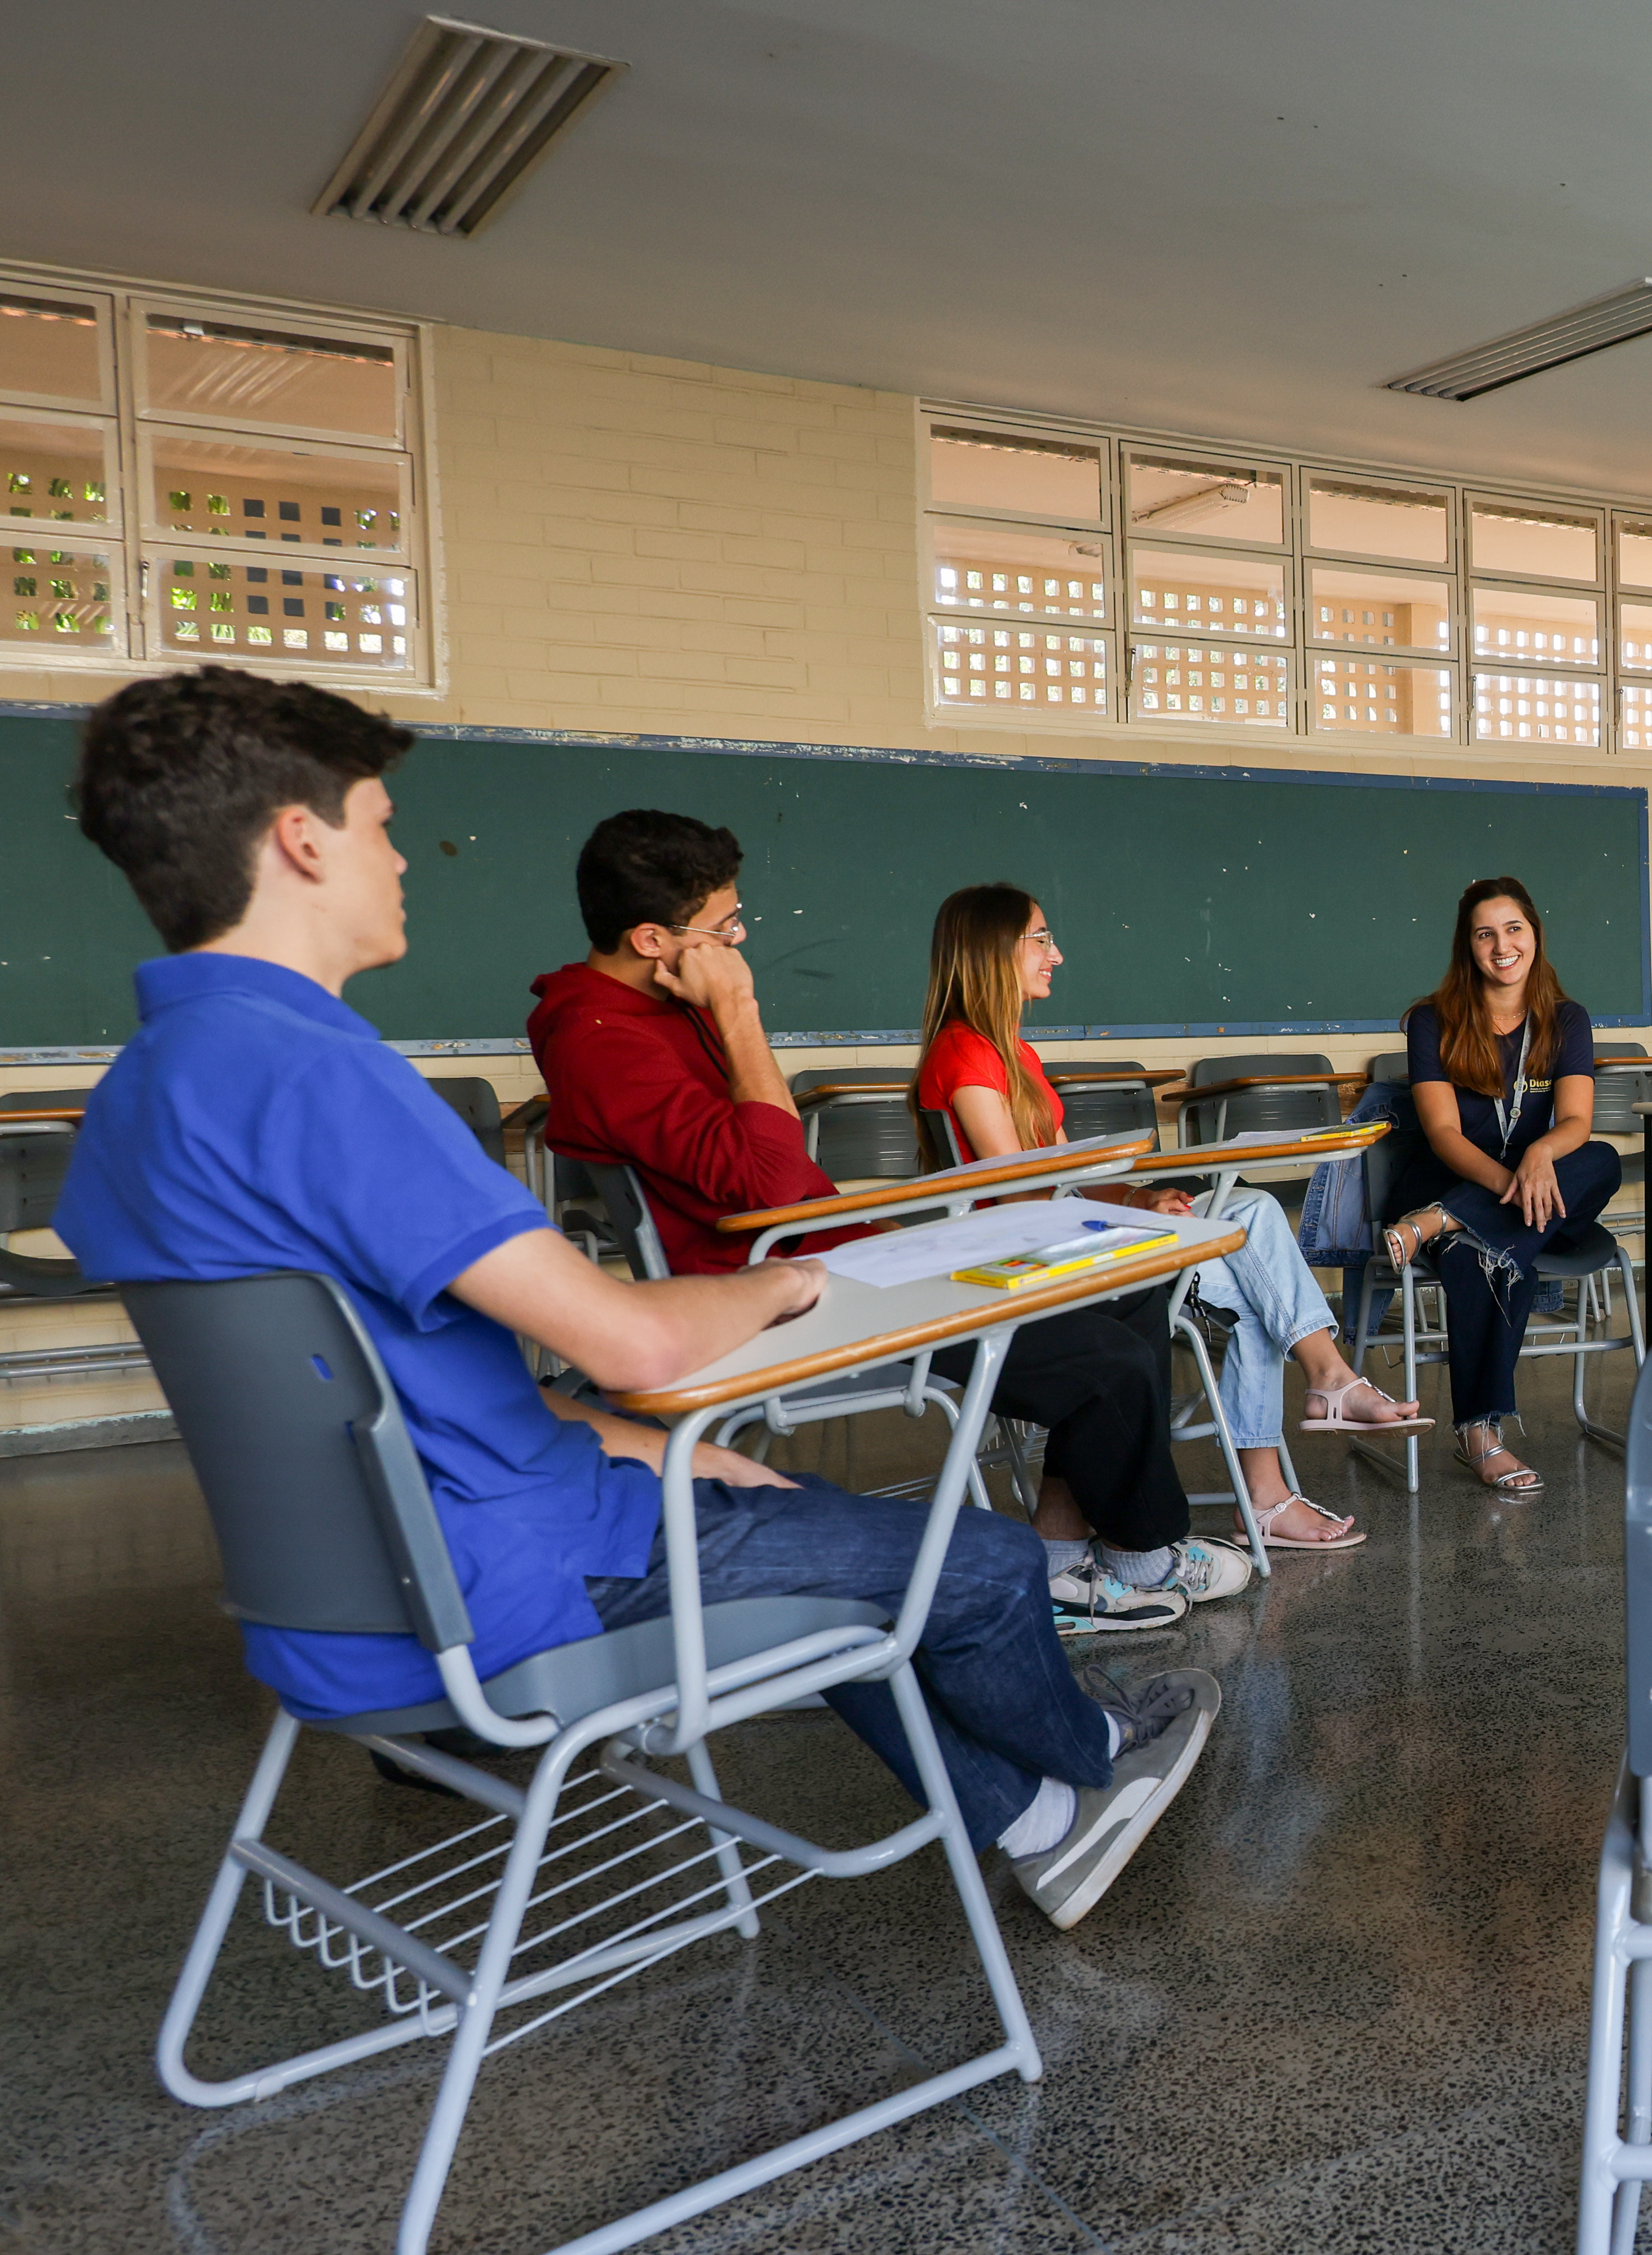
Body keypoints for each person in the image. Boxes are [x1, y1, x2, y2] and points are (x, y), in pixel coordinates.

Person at [58, 667, 1212, 1931]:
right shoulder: (324, 1079)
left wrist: (662, 1447)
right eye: (383, 825)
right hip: (511, 1591)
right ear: (300, 839)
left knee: (805, 1513)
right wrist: (782, 1278)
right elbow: (638, 1332)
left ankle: (1037, 1811)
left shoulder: (146, 1088)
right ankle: (1086, 1770)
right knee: (979, 1556)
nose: (403, 860)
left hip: (342, 1612)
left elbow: (395, 1389)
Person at [525, 810, 1252, 1634]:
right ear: (656, 940)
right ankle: (1141, 1554)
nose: (739, 944)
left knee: (1131, 1291)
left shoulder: (654, 1009)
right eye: (726, 927)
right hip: (780, 1288)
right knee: (1110, 1362)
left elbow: (775, 1169)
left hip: (839, 1250)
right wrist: (740, 1012)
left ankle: (1071, 1555)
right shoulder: (599, 1037)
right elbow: (766, 1180)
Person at [916, 881, 1424, 1552]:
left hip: (1065, 1236)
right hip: (1034, 1262)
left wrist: (1139, 1199)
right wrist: (1134, 1205)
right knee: (1254, 1245)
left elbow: (1070, 1180)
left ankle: (1308, 1421)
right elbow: (1022, 1191)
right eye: (1040, 938)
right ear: (991, 950)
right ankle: (1307, 1421)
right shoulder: (965, 1052)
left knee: (1252, 1229)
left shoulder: (1014, 1055)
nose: (1056, 954)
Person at [1379, 877, 1627, 1497]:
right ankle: (1480, 1434)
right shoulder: (1432, 1021)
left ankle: (1444, 1222)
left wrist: (1542, 1152)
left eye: (1513, 928)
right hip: (1458, 1177)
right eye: (1485, 933)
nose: (1502, 945)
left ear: (1535, 935)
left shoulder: (1566, 1020)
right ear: (1468, 946)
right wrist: (1506, 1187)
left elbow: (1577, 1123)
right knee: (1490, 1252)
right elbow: (1442, 1133)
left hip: (1542, 1183)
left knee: (1601, 1160)